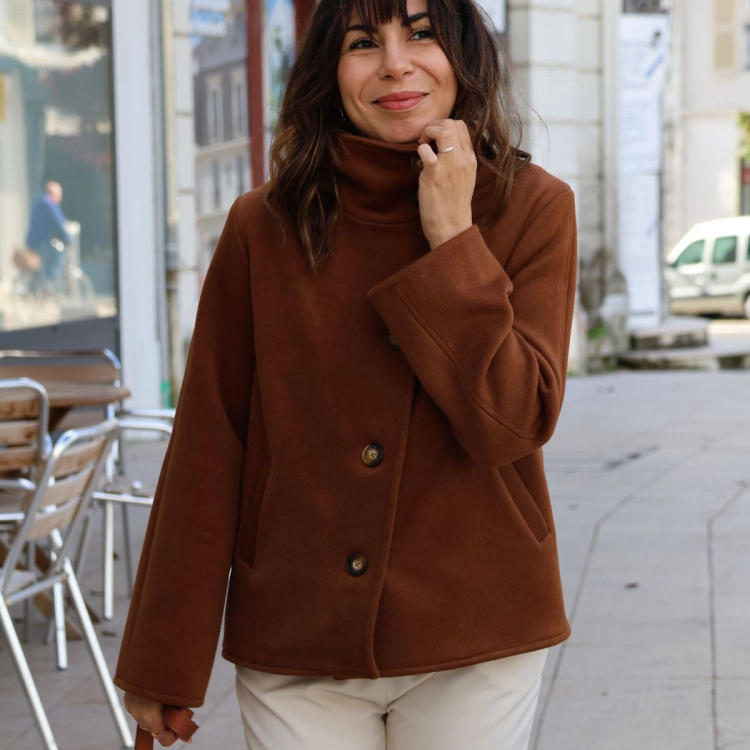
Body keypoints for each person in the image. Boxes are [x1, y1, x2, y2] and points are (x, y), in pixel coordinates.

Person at [115, 0, 578, 746]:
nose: (395, 63)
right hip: (298, 635)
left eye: (421, 34)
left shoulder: (532, 207)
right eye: (364, 42)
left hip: (477, 628)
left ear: (465, 56)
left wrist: (455, 241)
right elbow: (209, 441)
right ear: (329, 73)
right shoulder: (262, 225)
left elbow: (513, 421)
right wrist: (164, 655)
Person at [25, 181, 71, 293]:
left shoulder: (40, 202)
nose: (60, 198)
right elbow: (59, 223)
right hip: (42, 242)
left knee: (42, 265)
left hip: (33, 241)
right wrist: (68, 239)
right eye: (59, 195)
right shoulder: (49, 204)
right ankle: (50, 282)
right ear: (54, 194)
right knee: (59, 253)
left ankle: (39, 285)